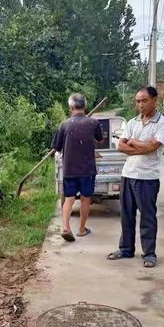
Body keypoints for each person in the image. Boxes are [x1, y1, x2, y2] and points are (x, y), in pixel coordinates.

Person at [108, 86, 164, 268]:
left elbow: (152, 148)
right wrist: (141, 145)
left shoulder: (162, 123)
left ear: (154, 100)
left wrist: (134, 142)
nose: (140, 105)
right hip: (128, 174)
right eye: (137, 101)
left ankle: (149, 253)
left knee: (147, 217)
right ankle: (126, 249)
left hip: (147, 178)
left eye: (144, 101)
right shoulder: (132, 122)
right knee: (126, 215)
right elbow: (121, 146)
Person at [52, 93, 103, 242]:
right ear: (85, 106)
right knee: (86, 199)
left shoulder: (64, 125)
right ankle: (81, 229)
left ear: (71, 107)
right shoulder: (93, 123)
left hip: (69, 169)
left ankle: (66, 227)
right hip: (87, 169)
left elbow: (57, 148)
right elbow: (100, 140)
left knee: (69, 199)